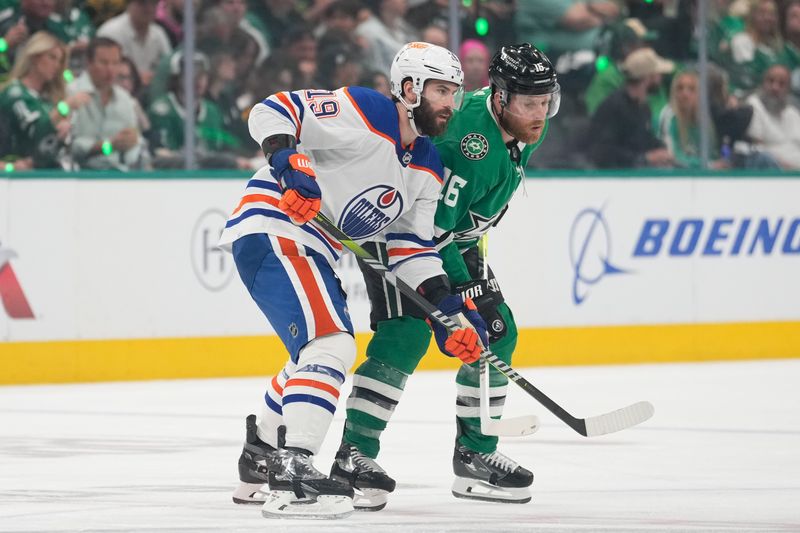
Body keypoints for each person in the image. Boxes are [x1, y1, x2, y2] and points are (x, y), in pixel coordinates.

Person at [223, 42, 482, 519]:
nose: (451, 104)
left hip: (314, 246)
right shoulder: (367, 110)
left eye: (456, 93)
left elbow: (410, 249)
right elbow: (273, 109)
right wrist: (286, 162)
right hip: (275, 225)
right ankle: (293, 466)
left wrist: (447, 309)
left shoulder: (427, 167)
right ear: (409, 89)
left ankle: (260, 451)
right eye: (442, 91)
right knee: (332, 346)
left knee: (315, 354)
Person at [333, 43, 560, 511]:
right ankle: (353, 455)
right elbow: (429, 233)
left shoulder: (521, 124)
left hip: (455, 240)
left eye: (546, 102)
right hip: (400, 230)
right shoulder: (466, 145)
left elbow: (462, 224)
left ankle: (475, 456)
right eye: (528, 103)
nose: (539, 115)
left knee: (496, 333)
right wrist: (454, 296)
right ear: (499, 98)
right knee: (407, 333)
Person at [0, 31, 87, 169]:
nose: (57, 66)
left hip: (56, 171)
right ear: (35, 57)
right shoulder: (14, 93)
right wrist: (64, 108)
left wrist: (62, 132)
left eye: (59, 61)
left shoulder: (50, 99)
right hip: (21, 172)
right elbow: (35, 130)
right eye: (52, 57)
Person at [587, 47, 675, 169]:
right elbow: (603, 152)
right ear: (648, 77)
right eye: (658, 73)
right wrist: (645, 158)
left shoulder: (642, 107)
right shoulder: (615, 107)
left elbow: (644, 139)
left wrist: (661, 150)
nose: (661, 78)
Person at [68, 37, 148, 170]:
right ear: (89, 63)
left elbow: (136, 143)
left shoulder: (125, 99)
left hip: (119, 176)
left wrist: (133, 143)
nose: (110, 69)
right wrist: (108, 146)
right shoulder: (71, 93)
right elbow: (69, 147)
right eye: (104, 63)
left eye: (115, 63)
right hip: (79, 176)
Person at [745, 63, 800, 168]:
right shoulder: (753, 106)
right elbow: (757, 150)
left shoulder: (792, 113)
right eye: (771, 81)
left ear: (788, 89)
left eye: (781, 84)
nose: (775, 87)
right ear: (763, 83)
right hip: (775, 176)